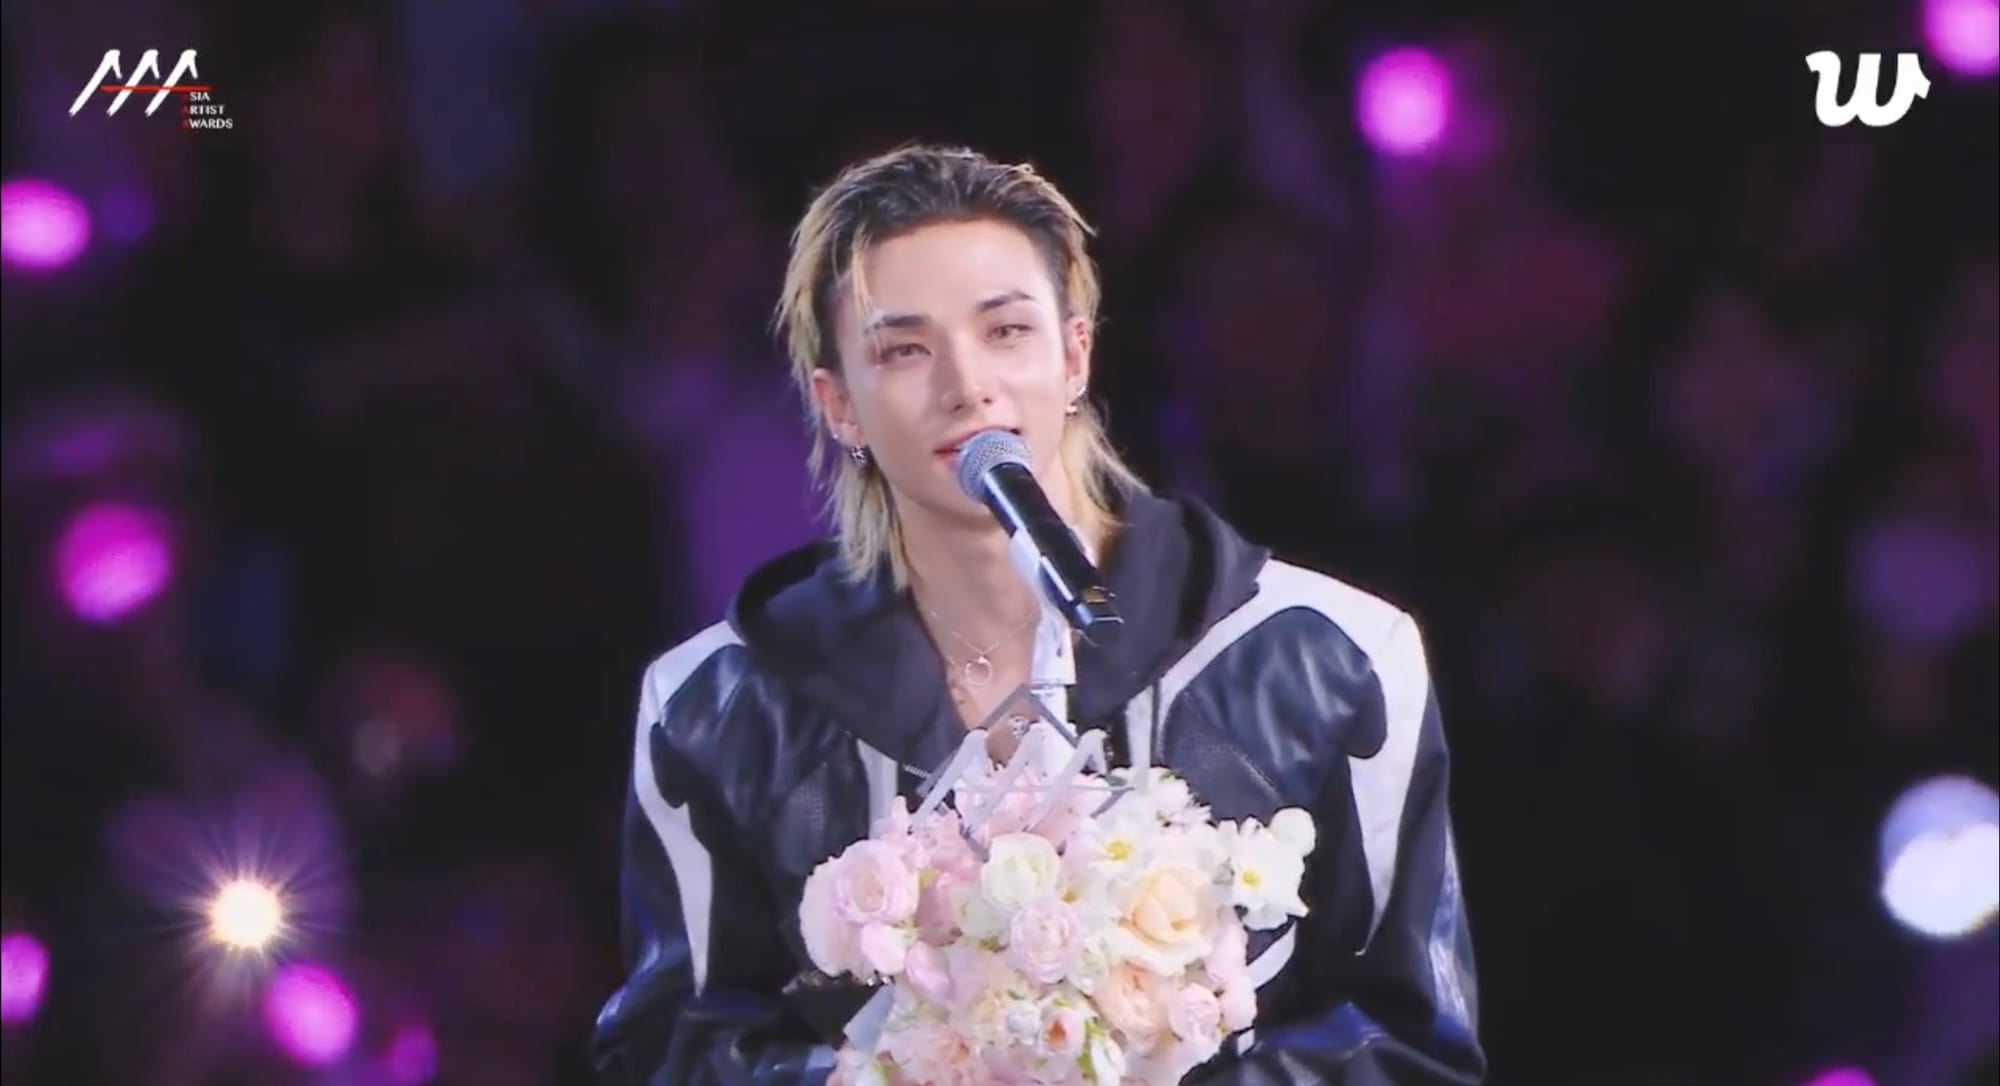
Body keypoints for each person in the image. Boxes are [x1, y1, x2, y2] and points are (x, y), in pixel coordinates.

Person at [590, 144, 1485, 1085]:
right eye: (904, 349)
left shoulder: (1334, 659)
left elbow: (1411, 1045)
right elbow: (671, 1050)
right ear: (838, 403)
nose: (966, 385)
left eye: (1006, 331)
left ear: (1075, 354)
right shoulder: (715, 708)